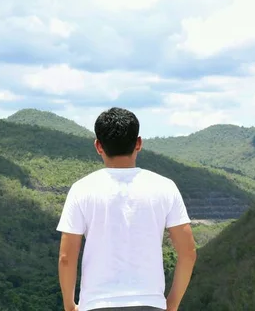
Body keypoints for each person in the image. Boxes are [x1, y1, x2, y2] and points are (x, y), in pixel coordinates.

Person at [56, 107, 197, 311]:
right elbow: (188, 253)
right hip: (150, 303)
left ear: (98, 146)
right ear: (138, 143)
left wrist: (70, 306)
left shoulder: (81, 189)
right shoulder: (165, 187)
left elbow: (66, 258)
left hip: (96, 303)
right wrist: (171, 304)